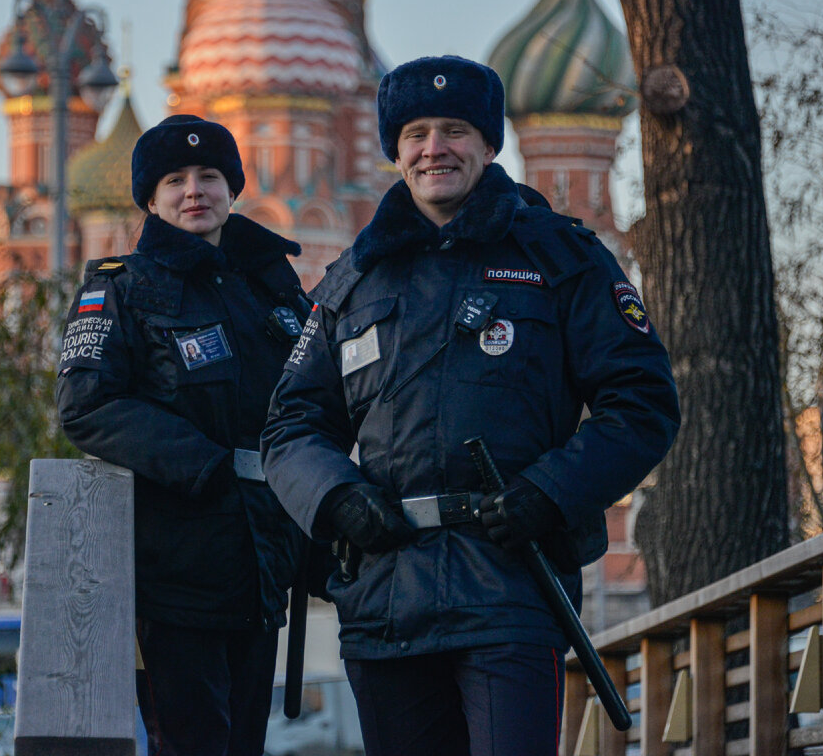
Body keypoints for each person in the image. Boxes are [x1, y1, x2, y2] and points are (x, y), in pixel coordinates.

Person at [260, 56, 681, 756]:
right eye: (417, 133)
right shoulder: (351, 281)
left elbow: (642, 402)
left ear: (489, 145)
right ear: (395, 151)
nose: (435, 148)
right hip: (385, 598)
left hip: (511, 590)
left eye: (455, 130)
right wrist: (335, 498)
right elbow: (290, 425)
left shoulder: (561, 258)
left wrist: (551, 492)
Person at [56, 115, 310, 756]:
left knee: (244, 743)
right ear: (149, 197)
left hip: (263, 560)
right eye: (175, 180)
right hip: (175, 566)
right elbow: (88, 405)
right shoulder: (121, 288)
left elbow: (316, 399)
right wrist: (206, 466)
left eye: (210, 176)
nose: (194, 190)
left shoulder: (272, 288)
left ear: (233, 188)